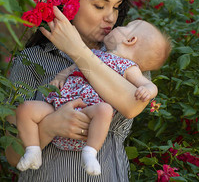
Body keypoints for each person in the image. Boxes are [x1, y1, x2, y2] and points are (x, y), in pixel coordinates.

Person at [6, 0, 164, 181]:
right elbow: (13, 155)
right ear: (68, 3)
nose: (110, 17)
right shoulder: (31, 61)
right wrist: (49, 127)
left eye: (117, 7)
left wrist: (78, 52)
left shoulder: (127, 59)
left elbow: (132, 105)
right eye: (99, 6)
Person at [15, 17, 171, 175]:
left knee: (104, 110)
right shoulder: (93, 54)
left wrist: (148, 90)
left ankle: (90, 153)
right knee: (25, 109)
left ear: (130, 40)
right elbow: (70, 69)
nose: (115, 23)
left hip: (88, 114)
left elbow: (148, 85)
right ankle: (32, 150)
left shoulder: (128, 67)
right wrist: (59, 78)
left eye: (125, 26)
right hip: (57, 109)